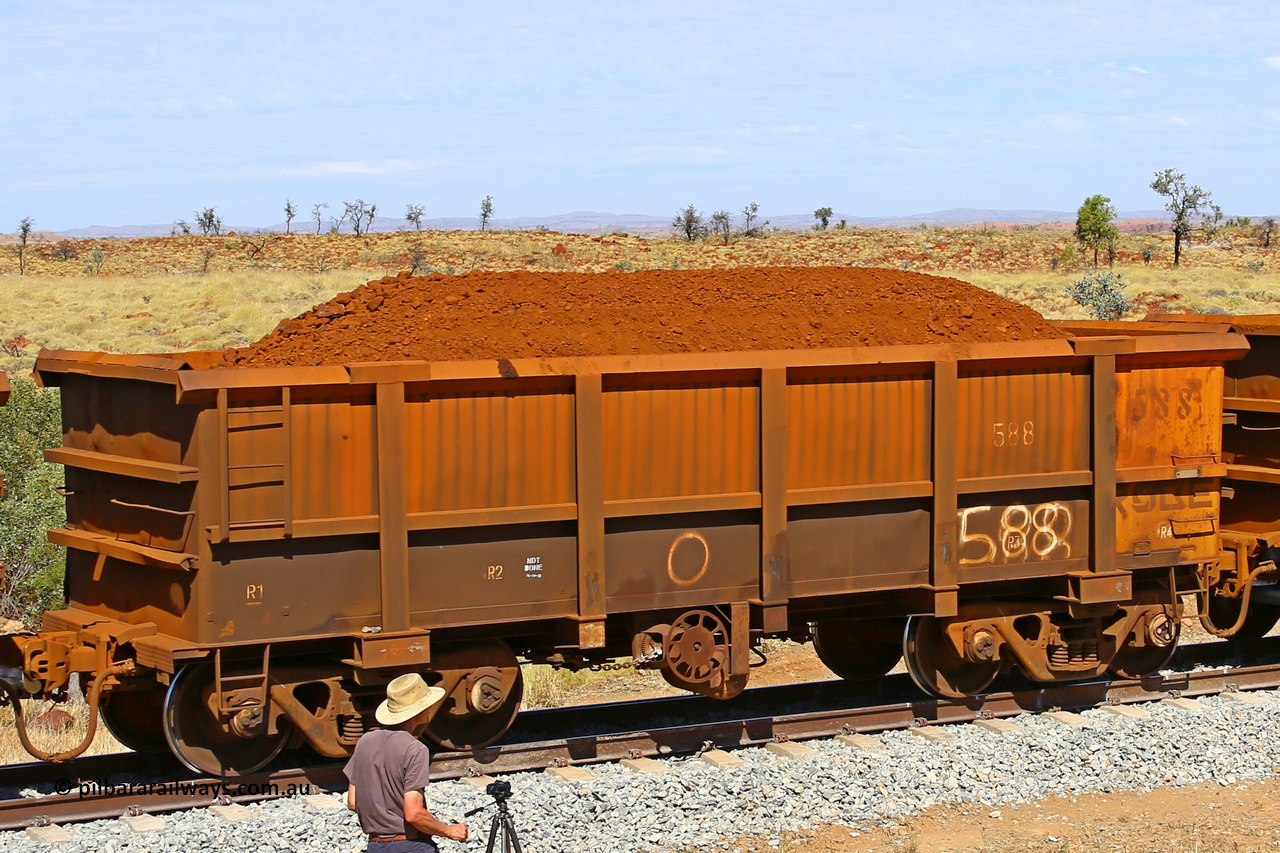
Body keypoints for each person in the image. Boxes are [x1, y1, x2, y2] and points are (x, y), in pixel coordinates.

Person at [345, 673, 468, 851]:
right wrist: (449, 831)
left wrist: (385, 819)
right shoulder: (414, 749)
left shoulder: (365, 741)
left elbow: (352, 801)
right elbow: (414, 814)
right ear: (418, 711)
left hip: (376, 846)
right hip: (410, 845)